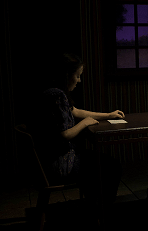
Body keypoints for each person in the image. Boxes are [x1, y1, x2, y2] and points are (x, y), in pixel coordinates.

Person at [31, 53, 125, 227]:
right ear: (67, 75)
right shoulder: (56, 95)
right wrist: (85, 124)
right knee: (111, 166)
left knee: (101, 163)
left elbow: (76, 111)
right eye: (77, 75)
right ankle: (102, 213)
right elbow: (64, 134)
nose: (79, 80)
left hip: (55, 158)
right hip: (60, 163)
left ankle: (95, 208)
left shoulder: (55, 92)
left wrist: (108, 115)